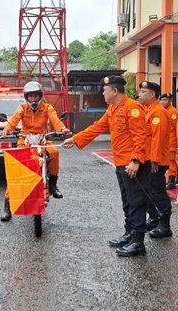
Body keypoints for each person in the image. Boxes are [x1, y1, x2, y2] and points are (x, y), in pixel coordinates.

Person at [62, 75, 150, 257]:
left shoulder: (132, 109)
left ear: (115, 91)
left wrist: (135, 161)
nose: (103, 92)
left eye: (105, 90)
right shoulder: (113, 109)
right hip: (121, 163)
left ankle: (138, 242)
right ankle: (129, 234)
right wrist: (76, 139)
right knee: (127, 201)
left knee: (136, 203)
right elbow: (97, 127)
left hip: (133, 165)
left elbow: (141, 137)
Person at [0, 81, 71, 221]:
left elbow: (55, 120)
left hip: (43, 139)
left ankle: (53, 185)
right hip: (25, 140)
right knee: (18, 168)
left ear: (40, 96)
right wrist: (6, 130)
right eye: (30, 97)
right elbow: (13, 121)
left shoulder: (47, 108)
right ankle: (7, 206)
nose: (33, 99)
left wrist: (62, 129)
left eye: (36, 96)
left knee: (55, 153)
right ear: (26, 97)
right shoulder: (22, 108)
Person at [138, 81, 173, 238]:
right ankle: (154, 219)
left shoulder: (158, 112)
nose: (140, 94)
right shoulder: (149, 111)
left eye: (143, 91)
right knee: (148, 192)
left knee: (157, 192)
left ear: (152, 94)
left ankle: (165, 225)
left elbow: (157, 139)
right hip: (148, 158)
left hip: (156, 161)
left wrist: (154, 161)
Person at [159, 93, 178, 190]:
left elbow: (174, 128)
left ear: (170, 101)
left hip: (171, 139)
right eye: (162, 100)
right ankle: (177, 175)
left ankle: (171, 180)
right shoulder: (164, 111)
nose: (163, 102)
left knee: (171, 161)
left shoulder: (172, 112)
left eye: (165, 100)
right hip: (165, 140)